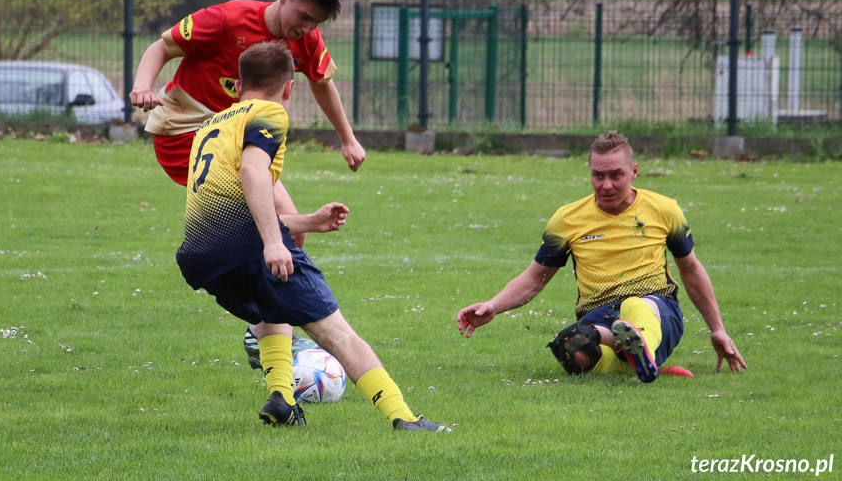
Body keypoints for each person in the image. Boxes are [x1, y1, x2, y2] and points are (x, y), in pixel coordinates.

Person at [177, 41, 451, 432]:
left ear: (238, 85)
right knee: (339, 334)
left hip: (201, 256)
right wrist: (274, 243)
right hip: (246, 248)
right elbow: (253, 174)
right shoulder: (269, 112)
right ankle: (404, 417)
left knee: (274, 304)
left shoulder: (214, 124)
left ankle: (282, 400)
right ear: (289, 88)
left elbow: (240, 202)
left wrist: (309, 221)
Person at [130, 0, 365, 357]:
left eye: (315, 23)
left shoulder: (305, 39)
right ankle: (268, 330)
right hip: (186, 131)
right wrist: (141, 86)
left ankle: (265, 329)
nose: (306, 29)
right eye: (304, 16)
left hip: (236, 136)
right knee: (271, 224)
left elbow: (322, 83)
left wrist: (348, 138)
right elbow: (163, 46)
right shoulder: (227, 19)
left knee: (292, 231)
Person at [456, 130, 747, 383]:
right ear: (590, 174)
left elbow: (691, 270)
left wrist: (717, 329)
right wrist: (493, 305)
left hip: (658, 309)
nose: (606, 185)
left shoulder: (664, 209)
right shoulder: (568, 218)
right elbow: (534, 278)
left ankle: (641, 343)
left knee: (636, 304)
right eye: (598, 176)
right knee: (569, 346)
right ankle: (638, 363)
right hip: (600, 317)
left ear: (633, 172)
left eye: (616, 175)